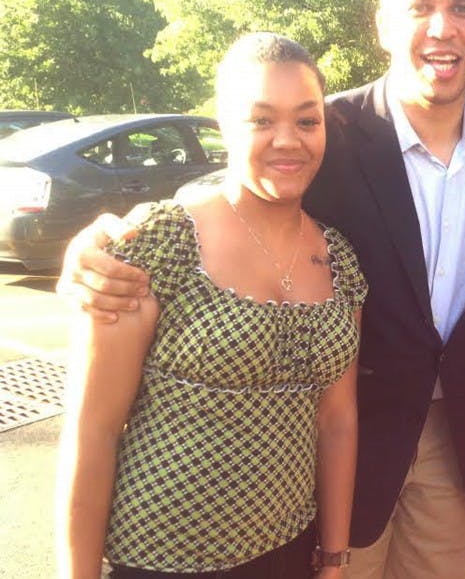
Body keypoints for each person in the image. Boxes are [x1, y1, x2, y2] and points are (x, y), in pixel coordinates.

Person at [57, 0, 465, 579]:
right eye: (420, 7)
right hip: (340, 443)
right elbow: (239, 191)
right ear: (385, 26)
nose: (441, 28)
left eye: (461, 8)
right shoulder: (323, 128)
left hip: (459, 440)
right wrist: (98, 242)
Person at [54, 32, 365, 578]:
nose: (287, 140)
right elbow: (92, 430)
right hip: (159, 558)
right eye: (261, 120)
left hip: (288, 550)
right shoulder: (157, 244)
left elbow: (336, 420)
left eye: (306, 120)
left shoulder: (339, 260)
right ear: (223, 126)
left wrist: (334, 557)